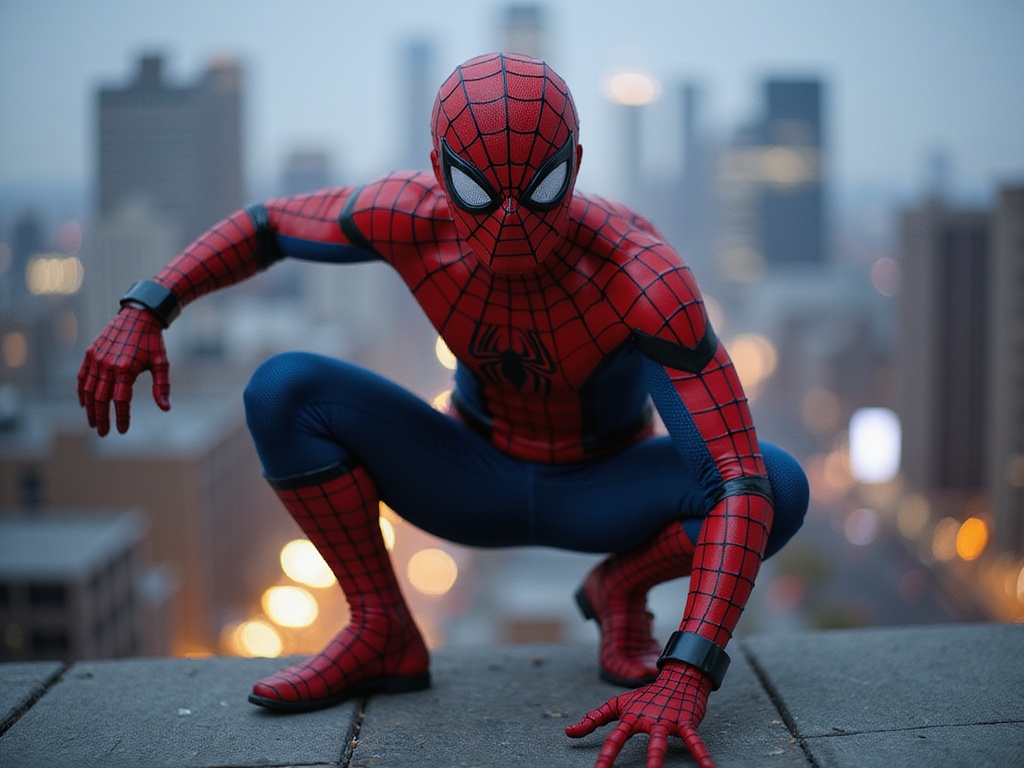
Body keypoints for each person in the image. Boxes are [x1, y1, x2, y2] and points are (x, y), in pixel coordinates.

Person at [78, 52, 808, 768]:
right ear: (439, 170)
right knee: (282, 389)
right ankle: (381, 629)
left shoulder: (641, 275)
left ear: (575, 165)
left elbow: (740, 480)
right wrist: (148, 304)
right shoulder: (410, 217)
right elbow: (269, 225)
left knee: (778, 485)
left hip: (606, 494)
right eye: (479, 191)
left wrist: (686, 673)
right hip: (470, 475)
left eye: (540, 187)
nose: (511, 223)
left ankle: (622, 585)